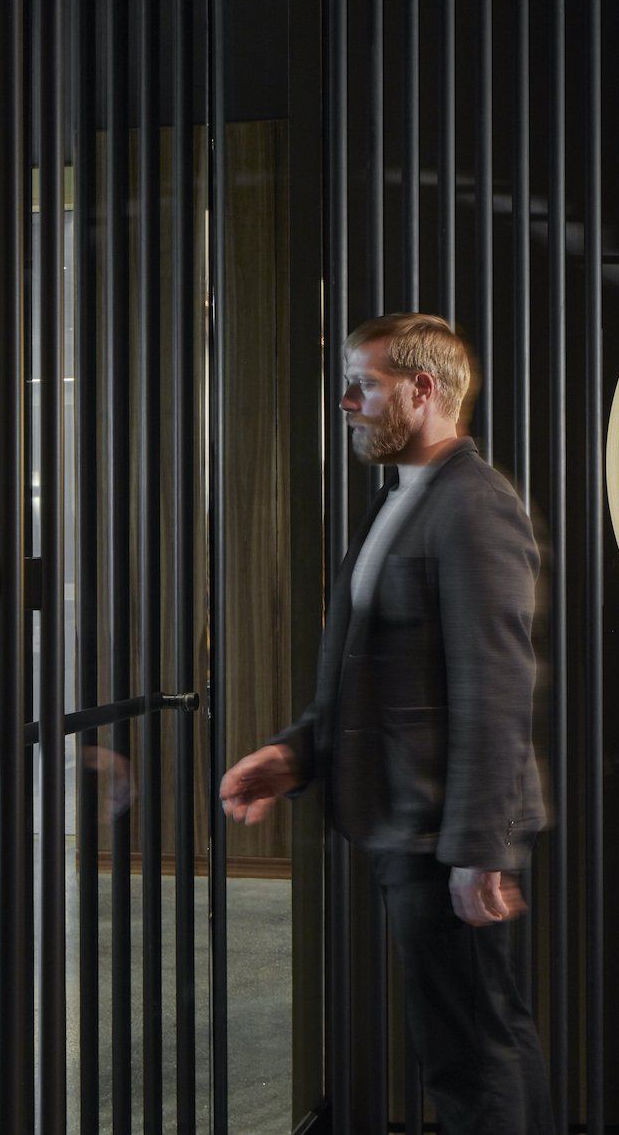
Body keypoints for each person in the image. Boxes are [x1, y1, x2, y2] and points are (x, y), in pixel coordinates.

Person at [219, 312, 553, 1134]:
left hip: (447, 836)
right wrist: (294, 754)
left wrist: (479, 850)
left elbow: (495, 686)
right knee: (467, 1045)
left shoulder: (475, 507)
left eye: (363, 383)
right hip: (408, 828)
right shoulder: (400, 502)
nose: (346, 400)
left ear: (423, 389)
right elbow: (369, 675)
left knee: (475, 1055)